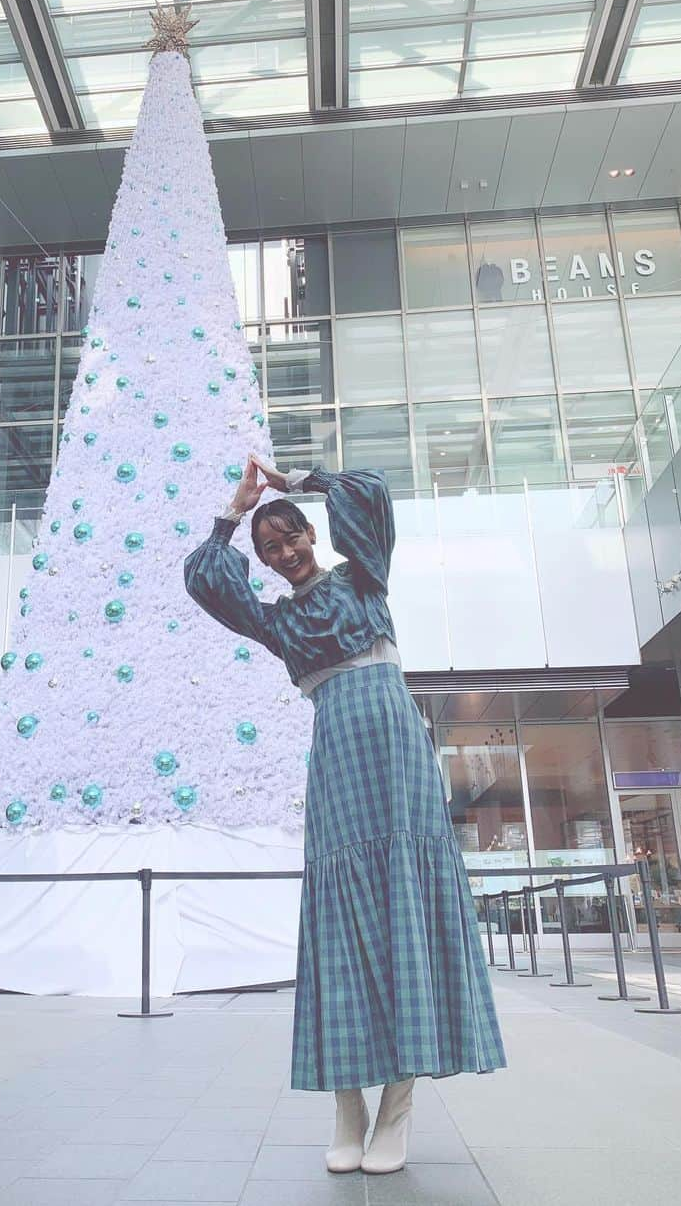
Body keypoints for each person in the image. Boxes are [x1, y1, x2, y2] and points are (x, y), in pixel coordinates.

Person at [185, 456, 505, 1176]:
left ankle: (397, 1105)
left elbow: (370, 490)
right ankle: (347, 1104)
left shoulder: (365, 577)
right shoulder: (276, 621)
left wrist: (296, 479)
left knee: (405, 912)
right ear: (263, 560)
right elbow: (206, 577)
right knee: (343, 919)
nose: (285, 552)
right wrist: (233, 513)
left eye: (291, 536)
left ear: (308, 532)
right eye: (270, 549)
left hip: (395, 745)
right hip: (336, 752)